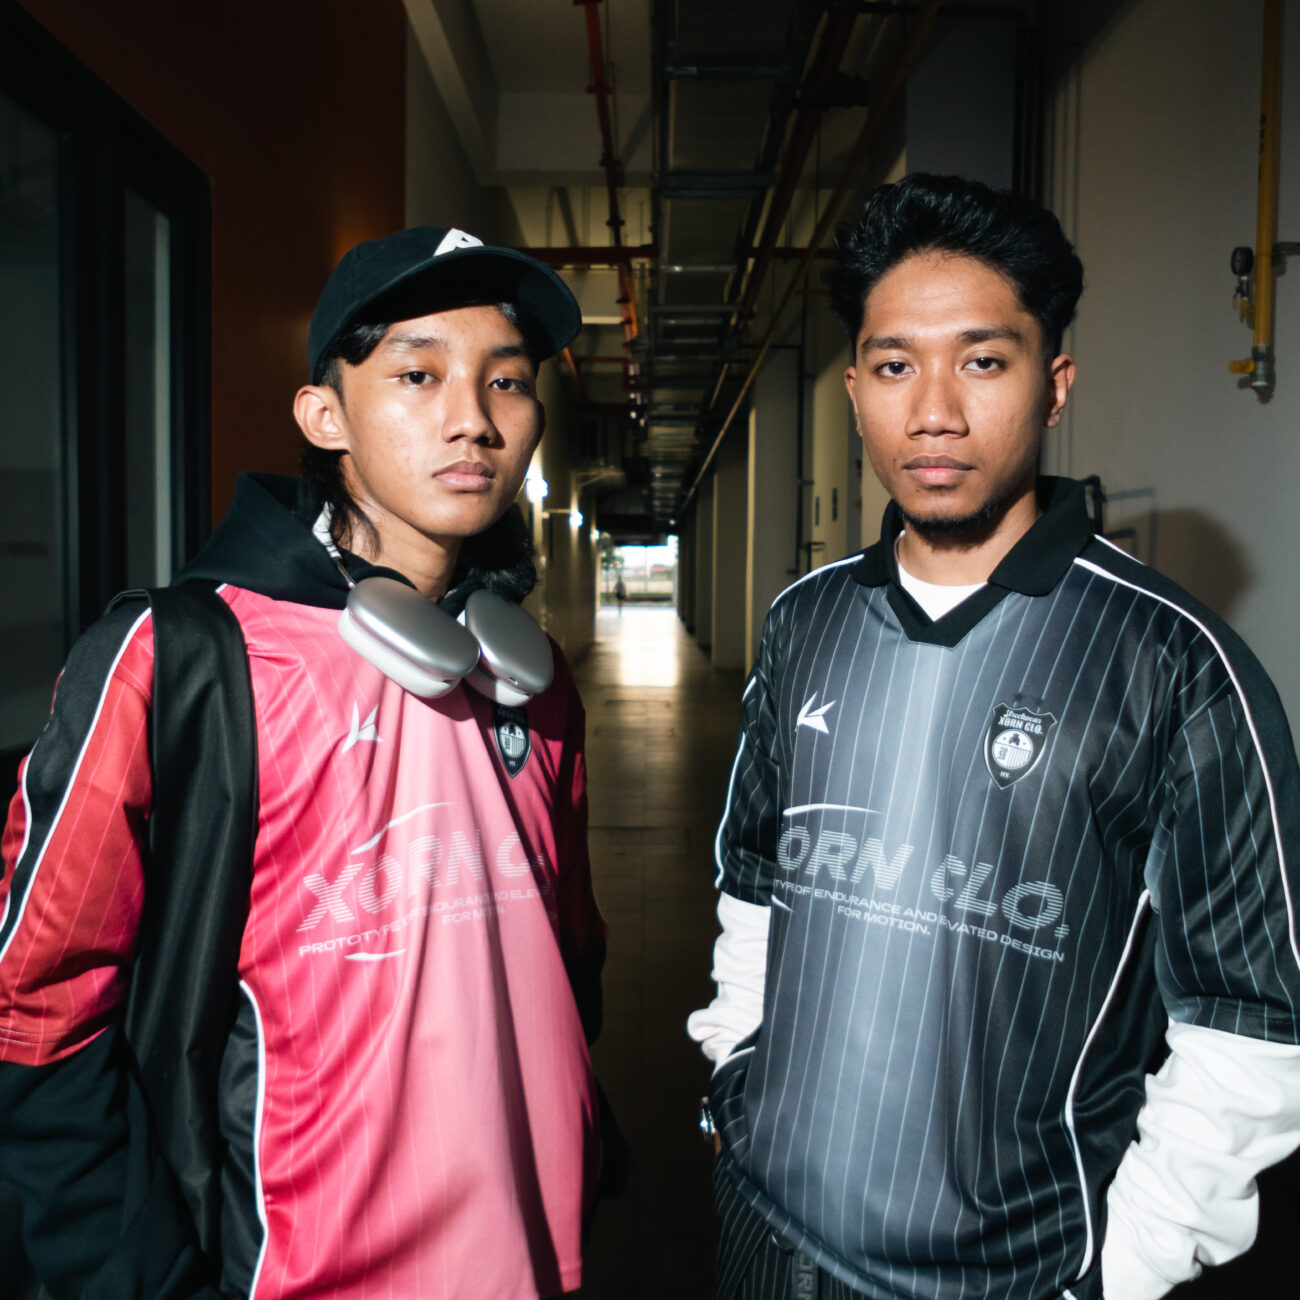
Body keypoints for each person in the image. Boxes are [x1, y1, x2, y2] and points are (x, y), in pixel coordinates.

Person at [688, 173, 1300, 1300]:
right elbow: (755, 878)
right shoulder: (807, 620)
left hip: (1002, 1275)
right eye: (893, 366)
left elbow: (1250, 1018)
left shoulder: (1173, 663)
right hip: (763, 1234)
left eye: (981, 361)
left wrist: (1123, 1266)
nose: (933, 411)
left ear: (1053, 384)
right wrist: (736, 1072)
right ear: (855, 390)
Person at [0, 226, 608, 1299]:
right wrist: (135, 1277)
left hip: (535, 1258)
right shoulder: (181, 659)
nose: (473, 417)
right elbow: (33, 1004)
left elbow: (571, 950)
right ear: (324, 416)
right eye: (417, 374)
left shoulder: (533, 677)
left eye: (507, 381)